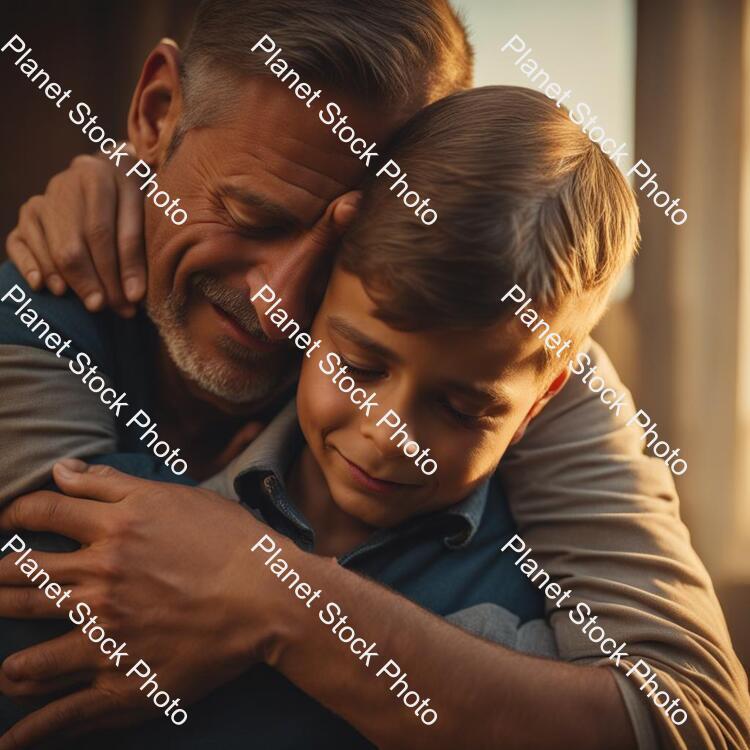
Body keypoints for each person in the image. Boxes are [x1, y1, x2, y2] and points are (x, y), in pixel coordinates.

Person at [1, 3, 748, 749]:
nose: (279, 305)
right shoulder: (42, 300)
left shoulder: (510, 364)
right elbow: (67, 624)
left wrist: (276, 600)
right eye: (252, 216)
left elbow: (699, 722)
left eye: (340, 242)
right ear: (157, 111)